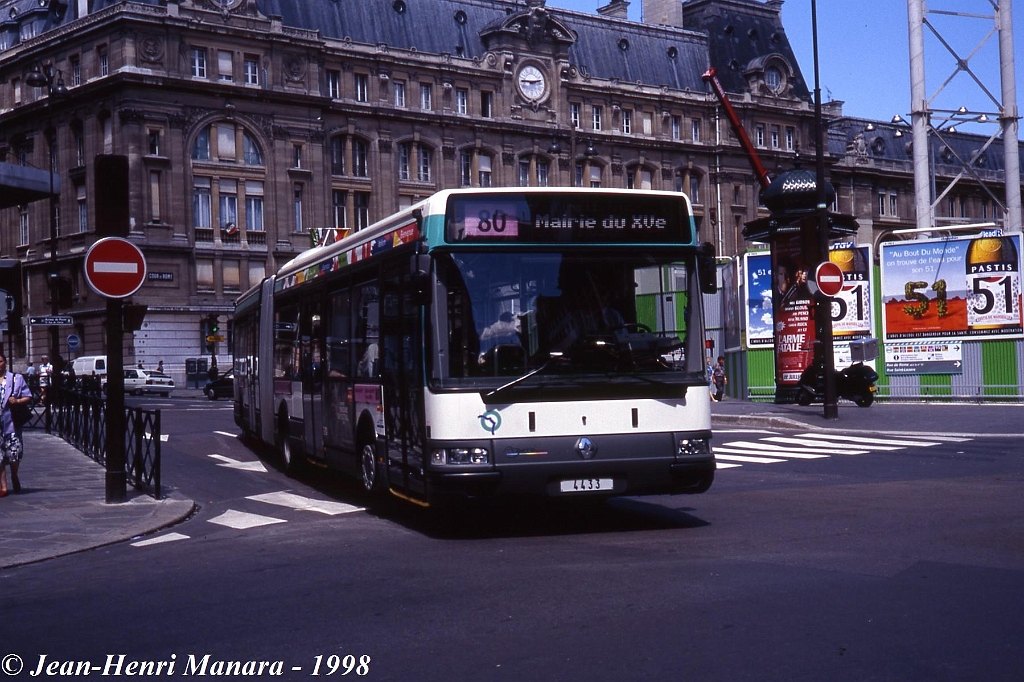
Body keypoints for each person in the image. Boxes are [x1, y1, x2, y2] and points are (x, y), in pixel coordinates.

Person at [0, 352, 33, 497]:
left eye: (0, 361)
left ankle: (14, 474)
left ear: (5, 362)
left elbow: (28, 396)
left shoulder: (16, 378)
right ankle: (4, 486)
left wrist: (18, 401)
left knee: (14, 453)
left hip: (12, 423)